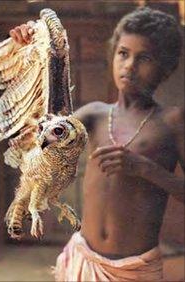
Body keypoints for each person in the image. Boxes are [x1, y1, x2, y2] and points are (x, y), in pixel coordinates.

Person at [10, 7, 184, 281]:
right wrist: (28, 51)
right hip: (82, 259)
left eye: (145, 58)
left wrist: (145, 169)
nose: (129, 66)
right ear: (113, 55)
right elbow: (43, 127)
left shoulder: (171, 122)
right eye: (123, 53)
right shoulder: (94, 114)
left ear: (166, 67)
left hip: (134, 270)